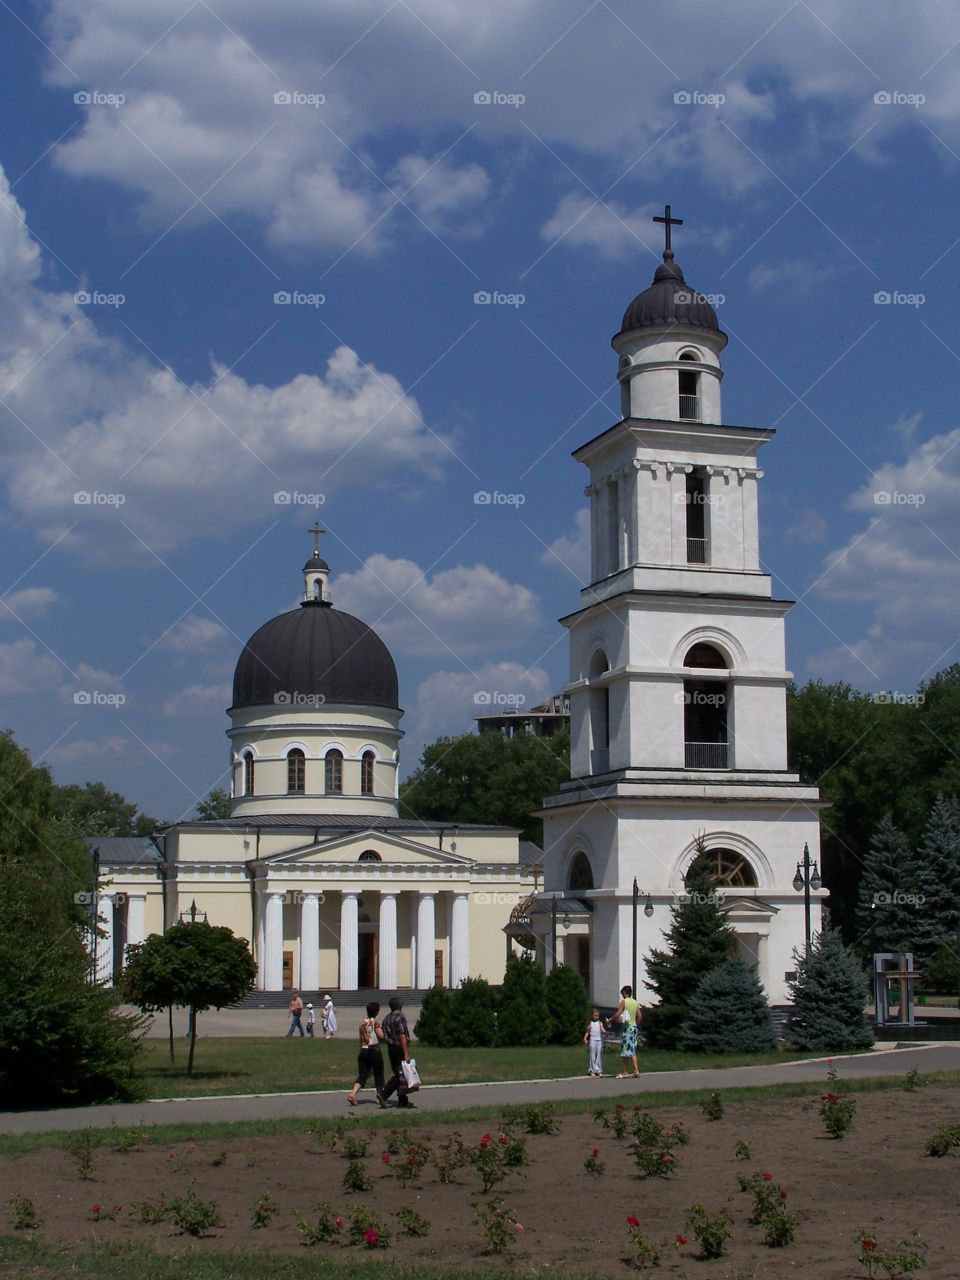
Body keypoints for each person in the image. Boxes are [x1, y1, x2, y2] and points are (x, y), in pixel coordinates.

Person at [347, 1001, 387, 1107]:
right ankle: (380, 1096)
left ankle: (353, 1093)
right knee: (379, 1074)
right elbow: (381, 1036)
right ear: (376, 1011)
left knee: (363, 1074)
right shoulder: (376, 1022)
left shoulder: (362, 1023)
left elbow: (361, 1039)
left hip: (363, 1051)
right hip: (374, 1050)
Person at [380, 995, 414, 1108]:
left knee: (399, 1073)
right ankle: (384, 1095)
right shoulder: (400, 1017)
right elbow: (402, 1035)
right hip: (399, 1047)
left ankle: (403, 1100)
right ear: (400, 1006)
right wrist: (406, 1053)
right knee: (401, 1074)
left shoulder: (386, 1018)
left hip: (391, 1048)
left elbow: (383, 1035)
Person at [609, 984, 642, 1079]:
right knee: (633, 1050)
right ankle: (636, 1070)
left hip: (627, 1028)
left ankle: (625, 1072)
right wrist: (636, 1024)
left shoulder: (624, 1002)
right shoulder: (635, 1002)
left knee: (626, 1050)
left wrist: (610, 1020)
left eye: (622, 993)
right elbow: (640, 1016)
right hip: (634, 1027)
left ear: (624, 992)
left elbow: (618, 1014)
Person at [583, 1007, 606, 1077]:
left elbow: (603, 1030)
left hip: (599, 1041)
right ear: (592, 1016)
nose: (597, 1017)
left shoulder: (600, 1023)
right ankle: (592, 1070)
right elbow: (588, 1032)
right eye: (595, 1015)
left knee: (599, 1055)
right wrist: (585, 1038)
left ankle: (598, 1070)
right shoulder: (591, 1023)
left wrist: (603, 1030)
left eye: (598, 1016)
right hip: (593, 1040)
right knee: (592, 1055)